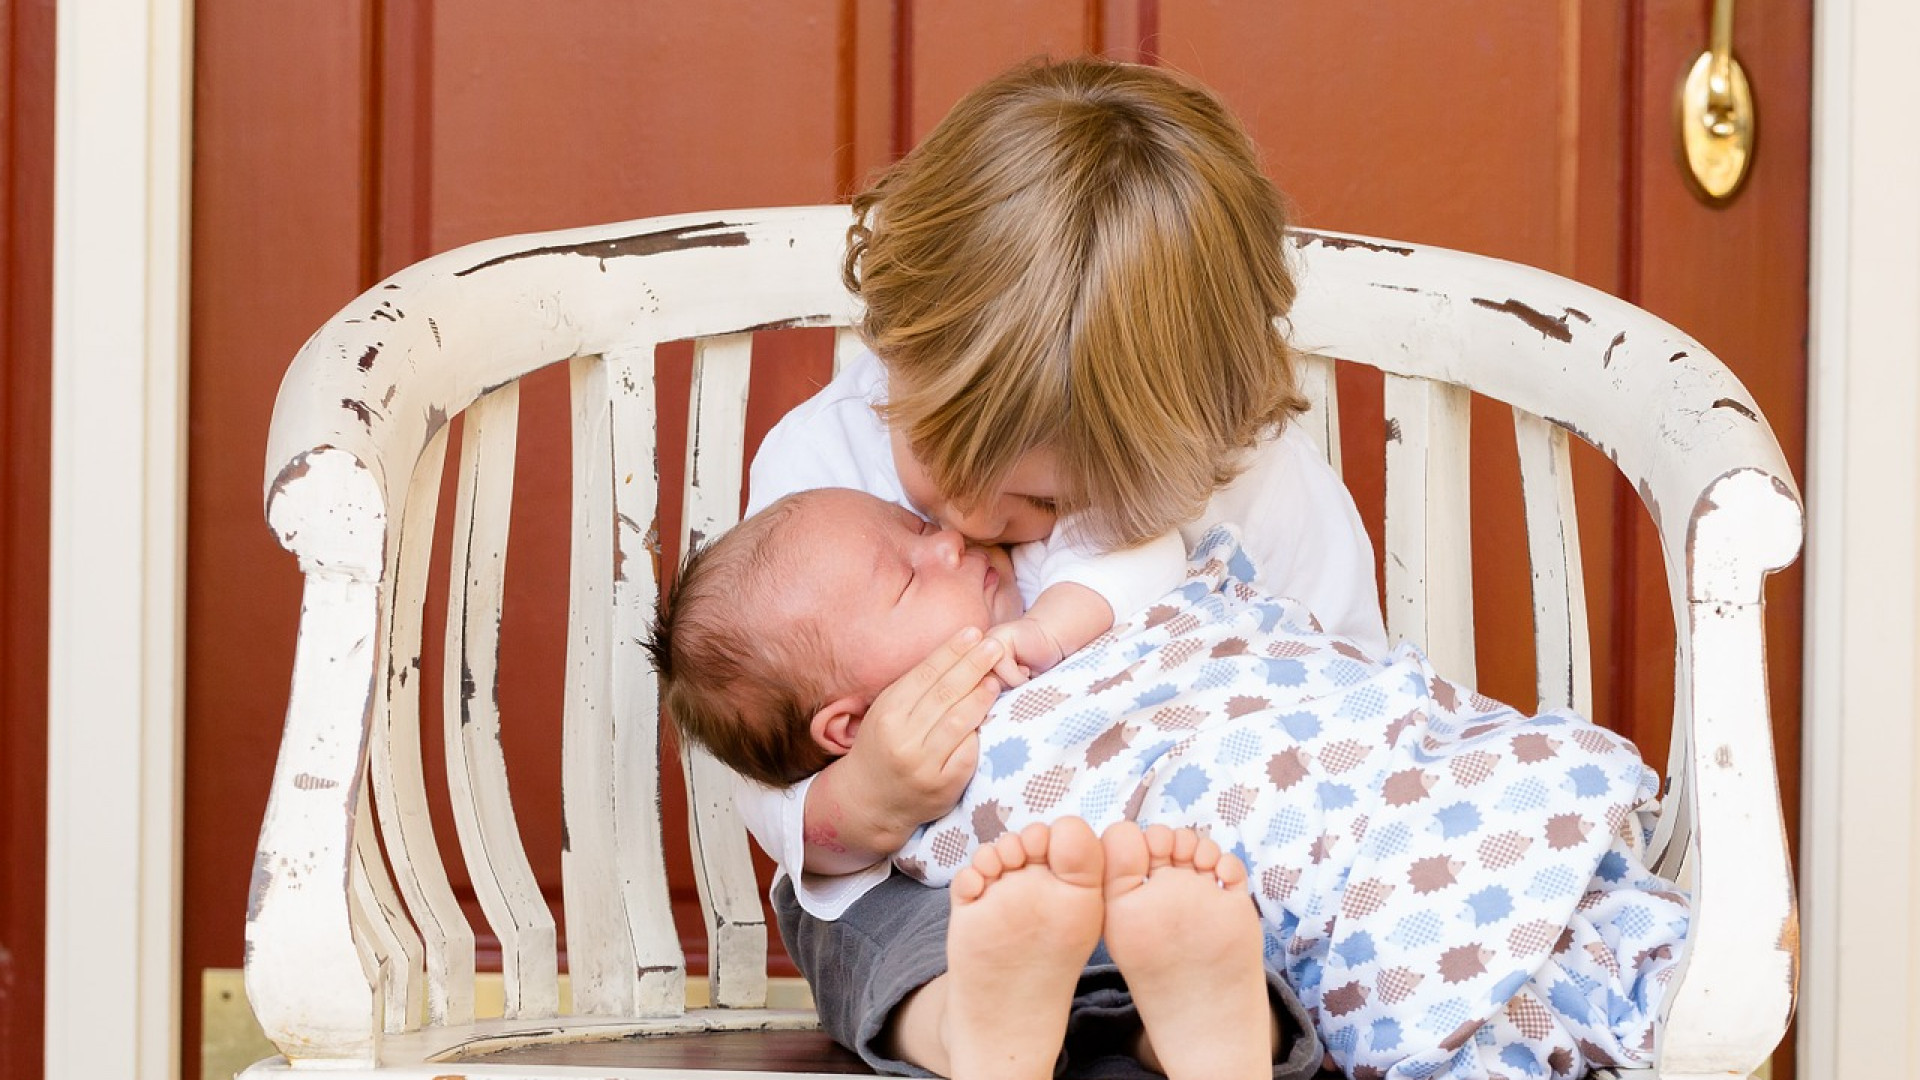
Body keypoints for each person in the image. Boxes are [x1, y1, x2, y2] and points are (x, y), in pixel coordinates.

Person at [733, 54, 1388, 1080]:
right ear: (899, 346)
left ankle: (1208, 1029)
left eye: (1044, 506)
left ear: (1192, 438)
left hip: (1200, 873)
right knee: (871, 930)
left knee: (1250, 937)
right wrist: (858, 800)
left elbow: (1350, 702)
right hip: (950, 888)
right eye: (938, 464)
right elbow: (763, 729)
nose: (965, 524)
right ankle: (973, 1025)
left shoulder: (1261, 486)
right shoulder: (822, 466)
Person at [653, 488, 1686, 1080]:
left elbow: (1171, 578)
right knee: (1018, 896)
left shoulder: (1062, 566)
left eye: (915, 524)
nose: (951, 537)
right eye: (907, 568)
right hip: (1186, 866)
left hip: (1358, 774)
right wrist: (872, 793)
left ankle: (1184, 1022)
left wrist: (1049, 628)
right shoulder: (820, 501)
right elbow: (814, 837)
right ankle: (1144, 1023)